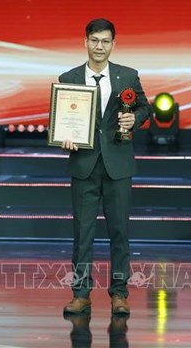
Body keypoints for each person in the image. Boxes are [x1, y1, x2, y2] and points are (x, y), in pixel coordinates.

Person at [60, 18, 151, 315]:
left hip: (118, 164)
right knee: (82, 233)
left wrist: (134, 119)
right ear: (85, 41)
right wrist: (65, 137)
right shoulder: (69, 77)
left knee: (120, 232)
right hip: (83, 164)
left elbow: (144, 107)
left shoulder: (128, 75)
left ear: (113, 44)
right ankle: (81, 293)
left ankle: (119, 293)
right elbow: (61, 117)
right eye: (94, 40)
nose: (99, 46)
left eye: (105, 41)